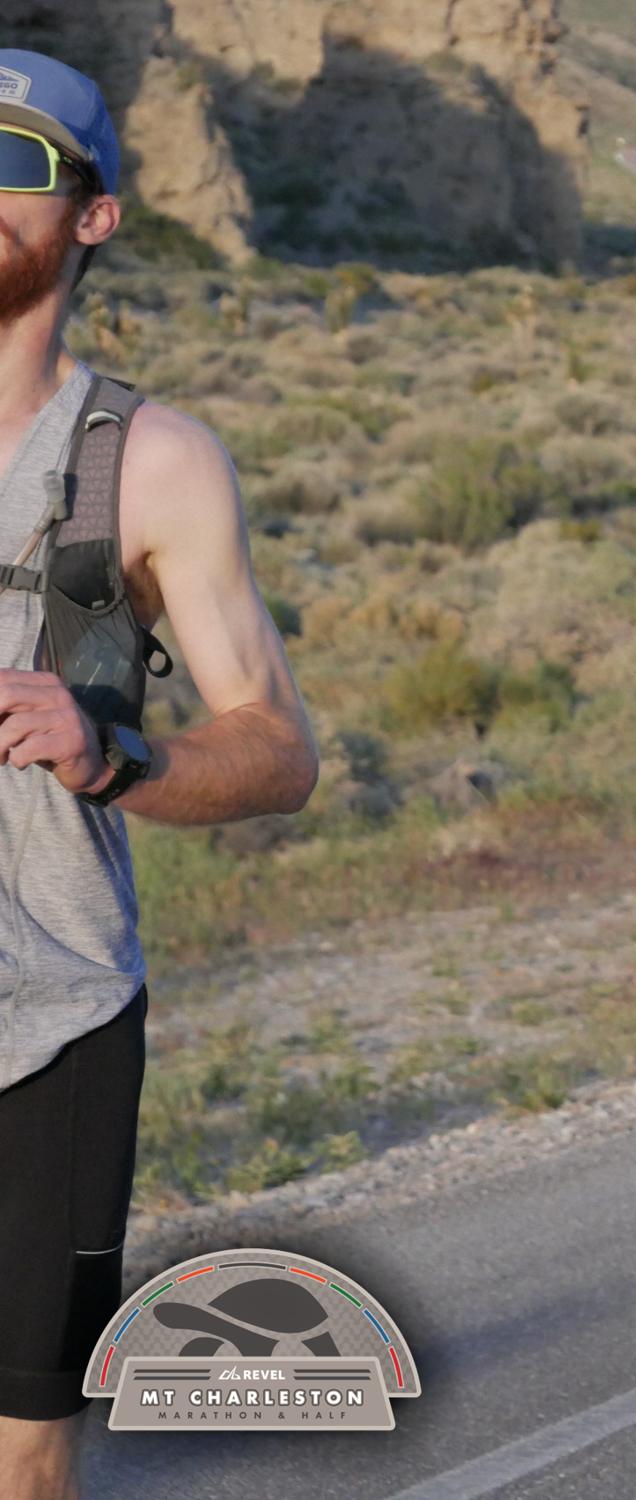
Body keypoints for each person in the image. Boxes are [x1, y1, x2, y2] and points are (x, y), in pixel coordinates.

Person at [0, 50, 317, 1500]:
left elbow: (277, 748)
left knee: (24, 1458)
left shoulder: (148, 464)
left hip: (47, 1028)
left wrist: (110, 754)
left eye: (13, 163)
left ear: (95, 217)